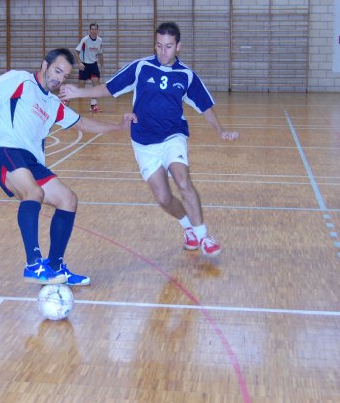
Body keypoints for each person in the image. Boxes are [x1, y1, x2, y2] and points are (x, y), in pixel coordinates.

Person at [0, 48, 136, 285]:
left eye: (64, 76)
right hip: (5, 149)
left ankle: (55, 267)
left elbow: (82, 123)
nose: (59, 79)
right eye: (57, 71)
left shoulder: (53, 103)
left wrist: (117, 127)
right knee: (34, 192)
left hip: (31, 161)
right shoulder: (19, 79)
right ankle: (33, 264)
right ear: (44, 65)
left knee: (68, 199)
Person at [60, 22, 239, 257]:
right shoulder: (141, 67)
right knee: (164, 198)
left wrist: (220, 130)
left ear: (178, 47)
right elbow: (110, 88)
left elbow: (205, 107)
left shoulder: (186, 75)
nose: (163, 52)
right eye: (159, 46)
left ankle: (204, 235)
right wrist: (79, 92)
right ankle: (189, 229)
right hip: (143, 141)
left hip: (173, 135)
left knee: (182, 180)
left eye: (168, 46)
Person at [75, 23, 104, 112]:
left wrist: (102, 65)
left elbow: (100, 54)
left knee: (96, 85)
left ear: (97, 30)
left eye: (95, 29)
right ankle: (66, 99)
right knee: (80, 88)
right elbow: (76, 52)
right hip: (84, 65)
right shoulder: (85, 40)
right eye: (92, 29)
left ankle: (93, 105)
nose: (94, 31)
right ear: (89, 30)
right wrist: (79, 63)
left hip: (94, 65)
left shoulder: (99, 40)